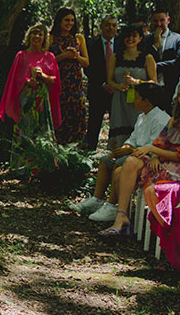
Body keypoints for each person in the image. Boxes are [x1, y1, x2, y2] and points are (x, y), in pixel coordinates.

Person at [99, 78, 180, 237]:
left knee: (128, 165)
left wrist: (153, 151)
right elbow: (160, 143)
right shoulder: (176, 119)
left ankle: (121, 218)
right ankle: (122, 217)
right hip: (163, 164)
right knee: (119, 171)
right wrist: (154, 156)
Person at [71, 83, 170, 222]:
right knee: (106, 160)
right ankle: (96, 199)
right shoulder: (142, 116)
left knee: (120, 163)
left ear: (146, 101)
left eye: (136, 97)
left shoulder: (160, 119)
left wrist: (130, 151)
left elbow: (155, 146)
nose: (133, 101)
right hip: (134, 153)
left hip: (147, 158)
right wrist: (124, 148)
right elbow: (133, 138)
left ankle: (112, 205)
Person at [0, 23, 62, 174]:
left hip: (42, 100)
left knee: (42, 131)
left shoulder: (49, 57)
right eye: (34, 33)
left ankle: (42, 168)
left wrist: (43, 76)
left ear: (45, 38)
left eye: (40, 34)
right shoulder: (21, 55)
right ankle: (21, 168)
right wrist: (27, 81)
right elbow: (14, 78)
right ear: (29, 36)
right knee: (24, 131)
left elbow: (55, 81)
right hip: (26, 99)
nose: (37, 37)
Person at [106, 24, 157, 148]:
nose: (130, 39)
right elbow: (109, 80)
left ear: (140, 38)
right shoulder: (115, 57)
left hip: (139, 100)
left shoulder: (147, 58)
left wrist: (137, 82)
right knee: (119, 130)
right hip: (119, 100)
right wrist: (118, 86)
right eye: (127, 36)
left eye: (134, 36)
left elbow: (154, 81)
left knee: (136, 130)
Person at [48, 7, 89, 144]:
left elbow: (86, 62)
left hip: (75, 84)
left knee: (77, 115)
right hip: (58, 82)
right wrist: (64, 55)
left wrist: (76, 56)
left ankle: (76, 150)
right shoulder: (51, 38)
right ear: (59, 21)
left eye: (72, 20)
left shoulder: (78, 38)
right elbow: (47, 61)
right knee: (59, 115)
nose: (70, 23)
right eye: (67, 20)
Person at [84, 15, 119, 150]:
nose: (111, 28)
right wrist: (103, 83)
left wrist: (115, 84)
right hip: (97, 90)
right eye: (108, 25)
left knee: (116, 124)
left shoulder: (122, 44)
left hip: (117, 91)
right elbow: (88, 68)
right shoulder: (91, 44)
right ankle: (90, 152)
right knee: (94, 124)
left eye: (113, 25)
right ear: (101, 27)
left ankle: (114, 152)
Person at [145, 8, 180, 90]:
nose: (159, 24)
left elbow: (177, 62)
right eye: (155, 21)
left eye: (162, 20)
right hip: (151, 85)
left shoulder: (179, 39)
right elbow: (145, 58)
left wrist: (153, 66)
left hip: (171, 84)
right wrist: (156, 45)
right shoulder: (146, 40)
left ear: (168, 20)